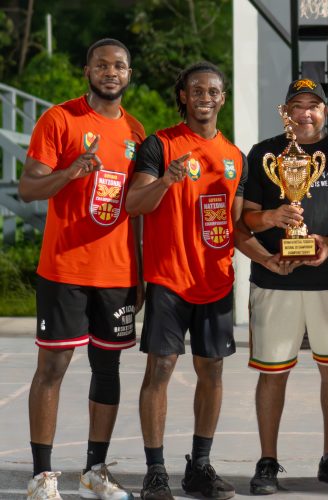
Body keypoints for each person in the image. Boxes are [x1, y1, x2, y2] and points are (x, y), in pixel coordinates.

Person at [125, 61, 264, 500]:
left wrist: (271, 256)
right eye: (197, 90)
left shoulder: (235, 157)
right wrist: (167, 179)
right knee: (161, 369)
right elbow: (133, 203)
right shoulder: (159, 145)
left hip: (216, 280)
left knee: (213, 372)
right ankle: (155, 471)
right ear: (183, 95)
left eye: (214, 91)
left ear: (223, 98)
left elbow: (238, 227)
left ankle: (199, 466)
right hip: (168, 278)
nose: (206, 97)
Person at [18, 39, 144, 500]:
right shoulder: (60, 119)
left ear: (129, 74)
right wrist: (69, 172)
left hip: (116, 273)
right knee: (52, 367)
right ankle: (42, 475)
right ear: (86, 69)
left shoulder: (135, 129)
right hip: (65, 267)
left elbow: (135, 209)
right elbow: (30, 188)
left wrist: (141, 274)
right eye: (102, 65)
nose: (111, 72)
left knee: (107, 369)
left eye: (120, 66)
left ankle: (95, 471)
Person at [242, 78, 328, 495]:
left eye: (313, 105)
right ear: (285, 112)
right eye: (296, 105)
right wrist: (273, 218)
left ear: (325, 111)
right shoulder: (263, 153)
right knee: (272, 375)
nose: (305, 113)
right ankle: (267, 462)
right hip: (274, 278)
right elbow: (245, 218)